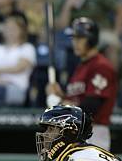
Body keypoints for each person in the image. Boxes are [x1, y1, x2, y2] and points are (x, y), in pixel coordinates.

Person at [46, 18, 116, 150]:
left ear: (91, 39)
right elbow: (76, 99)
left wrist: (60, 102)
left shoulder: (100, 66)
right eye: (74, 38)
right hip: (76, 133)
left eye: (80, 38)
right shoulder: (81, 66)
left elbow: (91, 107)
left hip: (94, 133)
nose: (75, 43)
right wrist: (59, 94)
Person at [0, 15, 36, 106]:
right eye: (7, 28)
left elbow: (18, 68)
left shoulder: (26, 48)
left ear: (21, 31)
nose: (10, 31)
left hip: (15, 87)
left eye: (13, 28)